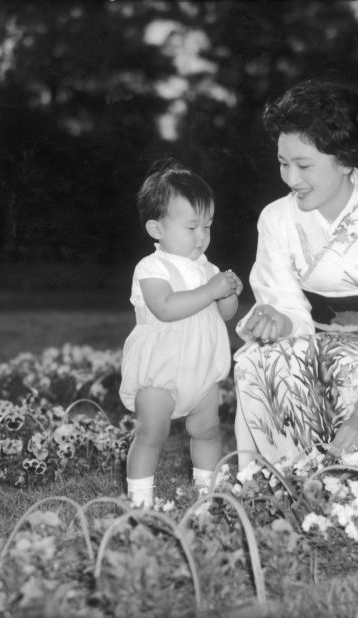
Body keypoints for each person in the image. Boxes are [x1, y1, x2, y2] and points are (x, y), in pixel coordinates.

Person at [233, 80, 358, 468]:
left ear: (344, 159)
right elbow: (286, 304)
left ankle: (356, 470)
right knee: (256, 359)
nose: (290, 178)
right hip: (310, 347)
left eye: (303, 165)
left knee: (347, 366)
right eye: (282, 163)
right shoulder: (276, 218)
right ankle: (281, 473)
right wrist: (277, 321)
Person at [120, 160, 242, 507]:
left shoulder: (208, 268)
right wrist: (210, 290)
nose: (202, 236)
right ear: (156, 228)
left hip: (200, 366)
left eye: (207, 225)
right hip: (160, 367)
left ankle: (209, 496)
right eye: (191, 227)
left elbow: (225, 314)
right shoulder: (151, 267)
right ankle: (140, 502)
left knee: (206, 430)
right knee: (151, 432)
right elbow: (166, 307)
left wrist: (228, 293)